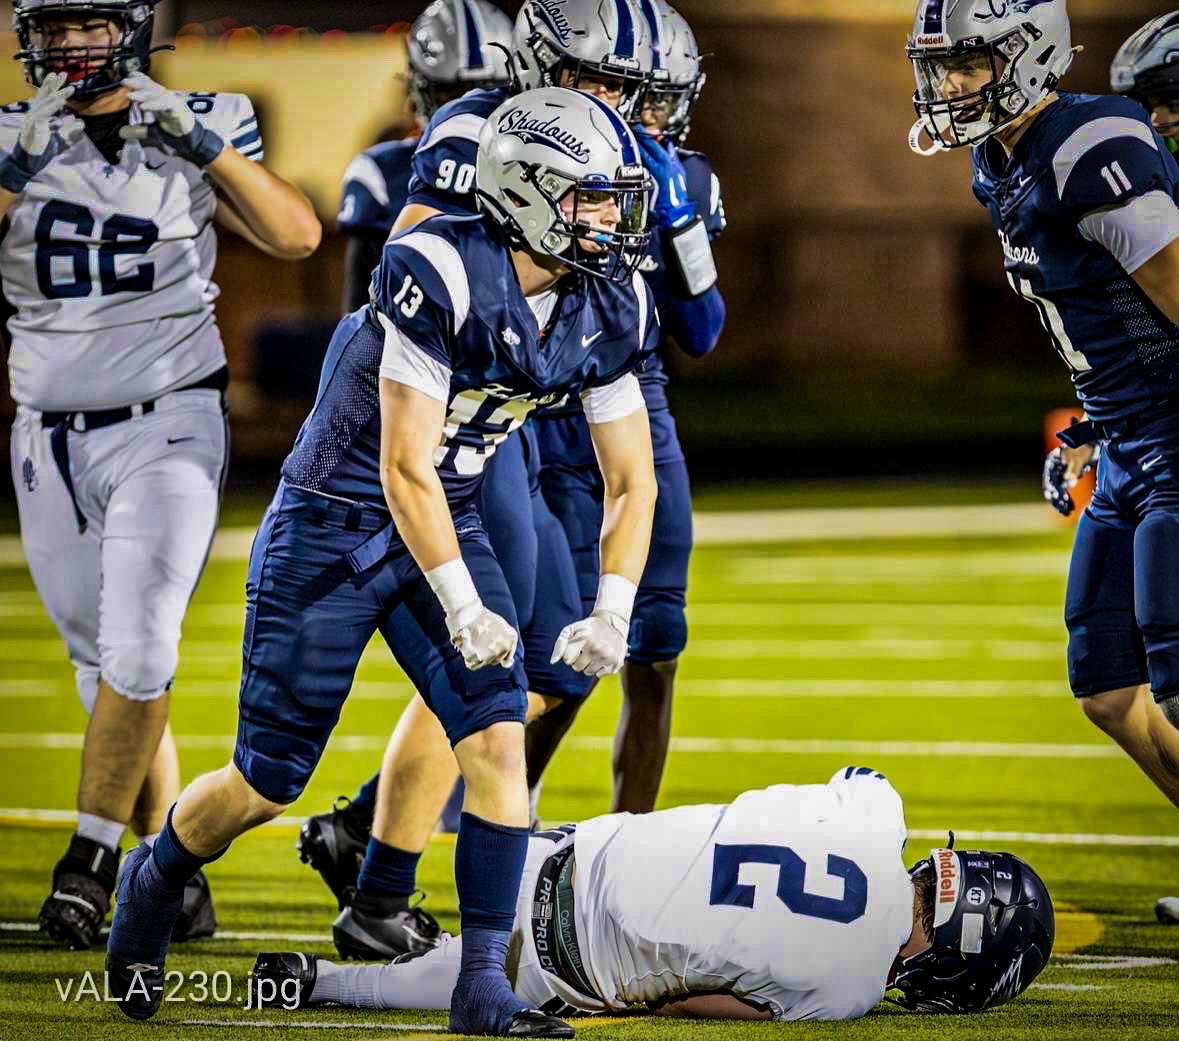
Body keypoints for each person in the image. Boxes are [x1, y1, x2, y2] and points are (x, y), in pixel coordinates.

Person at [104, 86, 659, 1040]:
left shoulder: (608, 300)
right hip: (336, 522)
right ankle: (155, 877)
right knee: (265, 780)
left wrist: (611, 606)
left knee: (492, 736)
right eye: (590, 197)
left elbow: (630, 482)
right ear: (525, 191)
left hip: (449, 508)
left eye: (616, 197)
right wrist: (460, 602)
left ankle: (481, 987)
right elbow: (401, 463)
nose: (610, 219)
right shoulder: (438, 264)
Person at [297, 0, 657, 958]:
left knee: (537, 660)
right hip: (445, 430)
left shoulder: (602, 155)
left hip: (516, 423)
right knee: (503, 653)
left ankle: (377, 852)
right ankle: (384, 872)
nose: (607, 101)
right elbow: (406, 286)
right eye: (591, 78)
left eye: (619, 85)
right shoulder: (477, 130)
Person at [2, 0, 320, 951]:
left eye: (90, 26)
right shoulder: (11, 136)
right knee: (107, 667)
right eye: (55, 30)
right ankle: (167, 875)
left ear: (133, 32)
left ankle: (88, 865)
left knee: (141, 648)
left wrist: (199, 144)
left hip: (169, 417)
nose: (71, 48)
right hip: (46, 435)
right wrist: (13, 172)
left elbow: (297, 233)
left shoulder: (203, 119)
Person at [906, 0, 1179, 917]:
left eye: (968, 65)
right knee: (1107, 685)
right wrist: (1095, 425)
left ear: (1027, 56)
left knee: (1177, 683)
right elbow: (1102, 321)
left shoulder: (1087, 148)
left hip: (1174, 437)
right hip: (1129, 438)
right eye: (939, 66)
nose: (948, 86)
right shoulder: (1002, 162)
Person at [251, 768, 1054, 1021]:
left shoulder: (874, 816)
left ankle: (376, 847)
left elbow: (865, 778)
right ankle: (324, 982)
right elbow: (686, 1004)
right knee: (458, 981)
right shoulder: (845, 991)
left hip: (558, 849)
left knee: (509, 790)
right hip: (570, 960)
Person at [526, 0, 726, 814]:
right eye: (615, 87)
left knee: (656, 644)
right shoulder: (514, 153)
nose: (637, 113)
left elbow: (702, 330)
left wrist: (676, 220)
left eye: (645, 93)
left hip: (635, 403)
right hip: (536, 407)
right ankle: (493, 813)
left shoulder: (681, 175)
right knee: (556, 651)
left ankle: (628, 844)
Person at [1108, 9, 1179, 929]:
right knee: (1109, 687)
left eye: (1176, 101)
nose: (1159, 123)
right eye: (1151, 104)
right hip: (1141, 435)